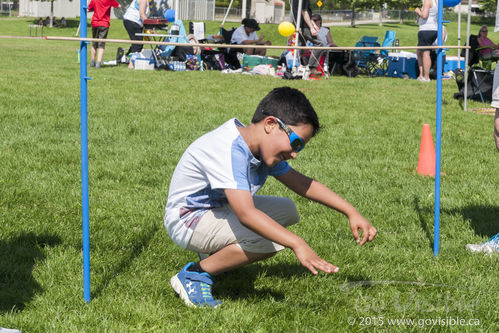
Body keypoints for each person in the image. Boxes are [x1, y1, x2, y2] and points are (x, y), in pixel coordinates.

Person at [164, 87, 377, 308]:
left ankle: (217, 255)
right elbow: (246, 214)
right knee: (271, 239)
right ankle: (195, 274)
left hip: (214, 211)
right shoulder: (229, 148)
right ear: (271, 124)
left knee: (287, 210)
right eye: (296, 143)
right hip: (187, 221)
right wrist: (297, 243)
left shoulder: (258, 147)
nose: (295, 154)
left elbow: (303, 184)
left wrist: (351, 211)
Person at [291, 0, 323, 75]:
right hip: (304, 26)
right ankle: (311, 67)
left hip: (299, 25)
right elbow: (304, 12)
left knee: (300, 46)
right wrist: (311, 27)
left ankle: (298, 67)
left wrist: (314, 25)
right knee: (320, 43)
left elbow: (307, 13)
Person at [88, 0, 120, 68]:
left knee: (94, 42)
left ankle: (92, 61)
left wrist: (97, 9)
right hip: (104, 23)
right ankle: (98, 63)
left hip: (95, 23)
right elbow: (118, 6)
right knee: (101, 44)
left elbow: (89, 9)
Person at [123, 0, 150, 68]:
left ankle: (125, 58)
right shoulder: (143, 0)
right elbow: (142, 14)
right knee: (138, 43)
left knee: (136, 42)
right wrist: (149, 27)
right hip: (132, 21)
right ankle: (131, 64)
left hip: (132, 21)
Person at [415, 0, 438, 82]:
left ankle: (426, 77)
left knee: (425, 53)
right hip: (432, 29)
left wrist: (418, 11)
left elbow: (424, 15)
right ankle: (421, 75)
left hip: (426, 29)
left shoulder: (427, 1)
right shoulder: (436, 2)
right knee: (419, 51)